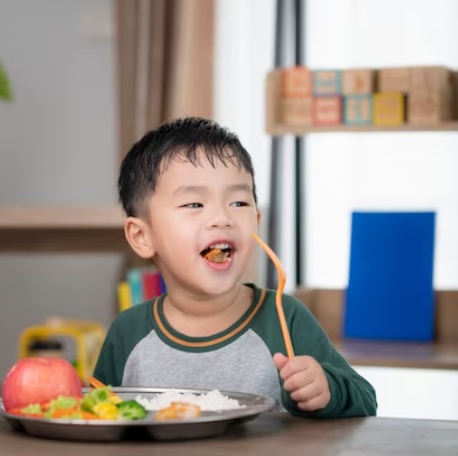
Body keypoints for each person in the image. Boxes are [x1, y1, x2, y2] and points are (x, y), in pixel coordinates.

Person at [93, 117, 377, 418]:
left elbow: (365, 401)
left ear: (256, 222)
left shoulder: (285, 317)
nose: (222, 218)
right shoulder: (127, 332)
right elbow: (95, 414)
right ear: (142, 236)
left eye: (239, 203)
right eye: (194, 205)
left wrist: (326, 389)